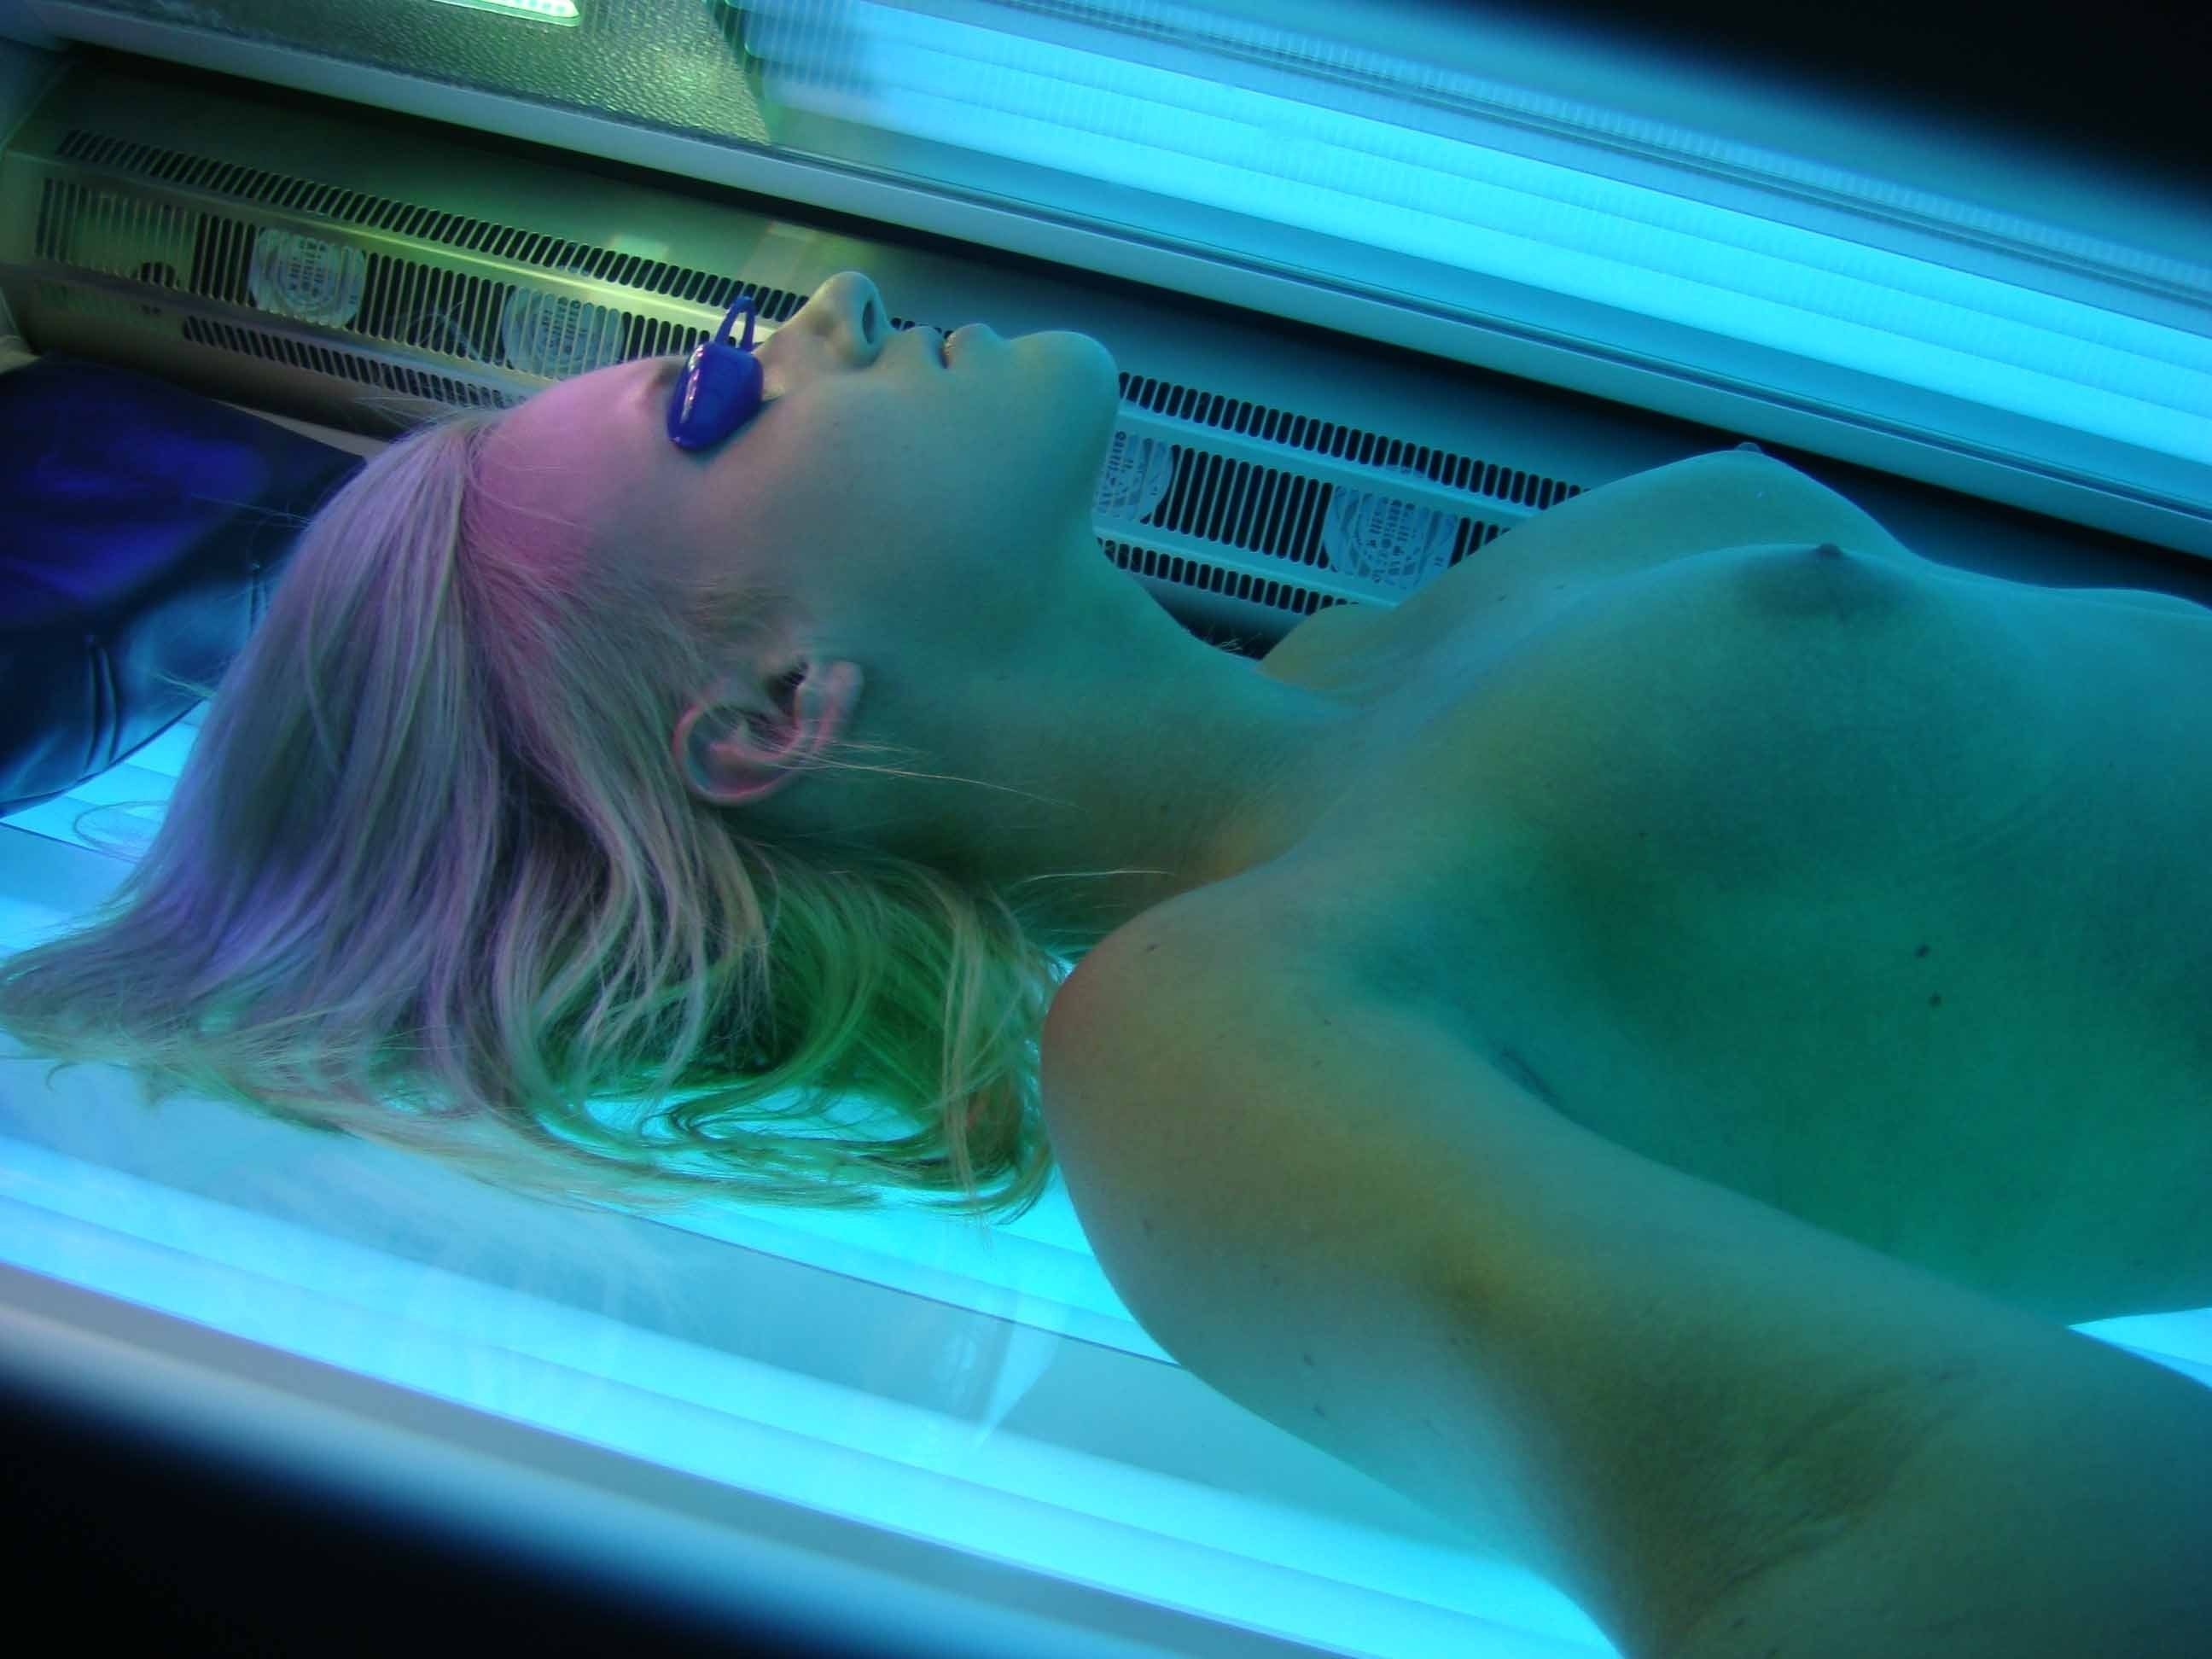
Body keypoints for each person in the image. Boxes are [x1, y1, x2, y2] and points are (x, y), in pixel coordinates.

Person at [3, 271, 2207, 1652]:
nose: (822, 306)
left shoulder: (1356, 675)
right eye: (717, 400)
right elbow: (1856, 1526)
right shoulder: (1199, 1035)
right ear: (771, 711)